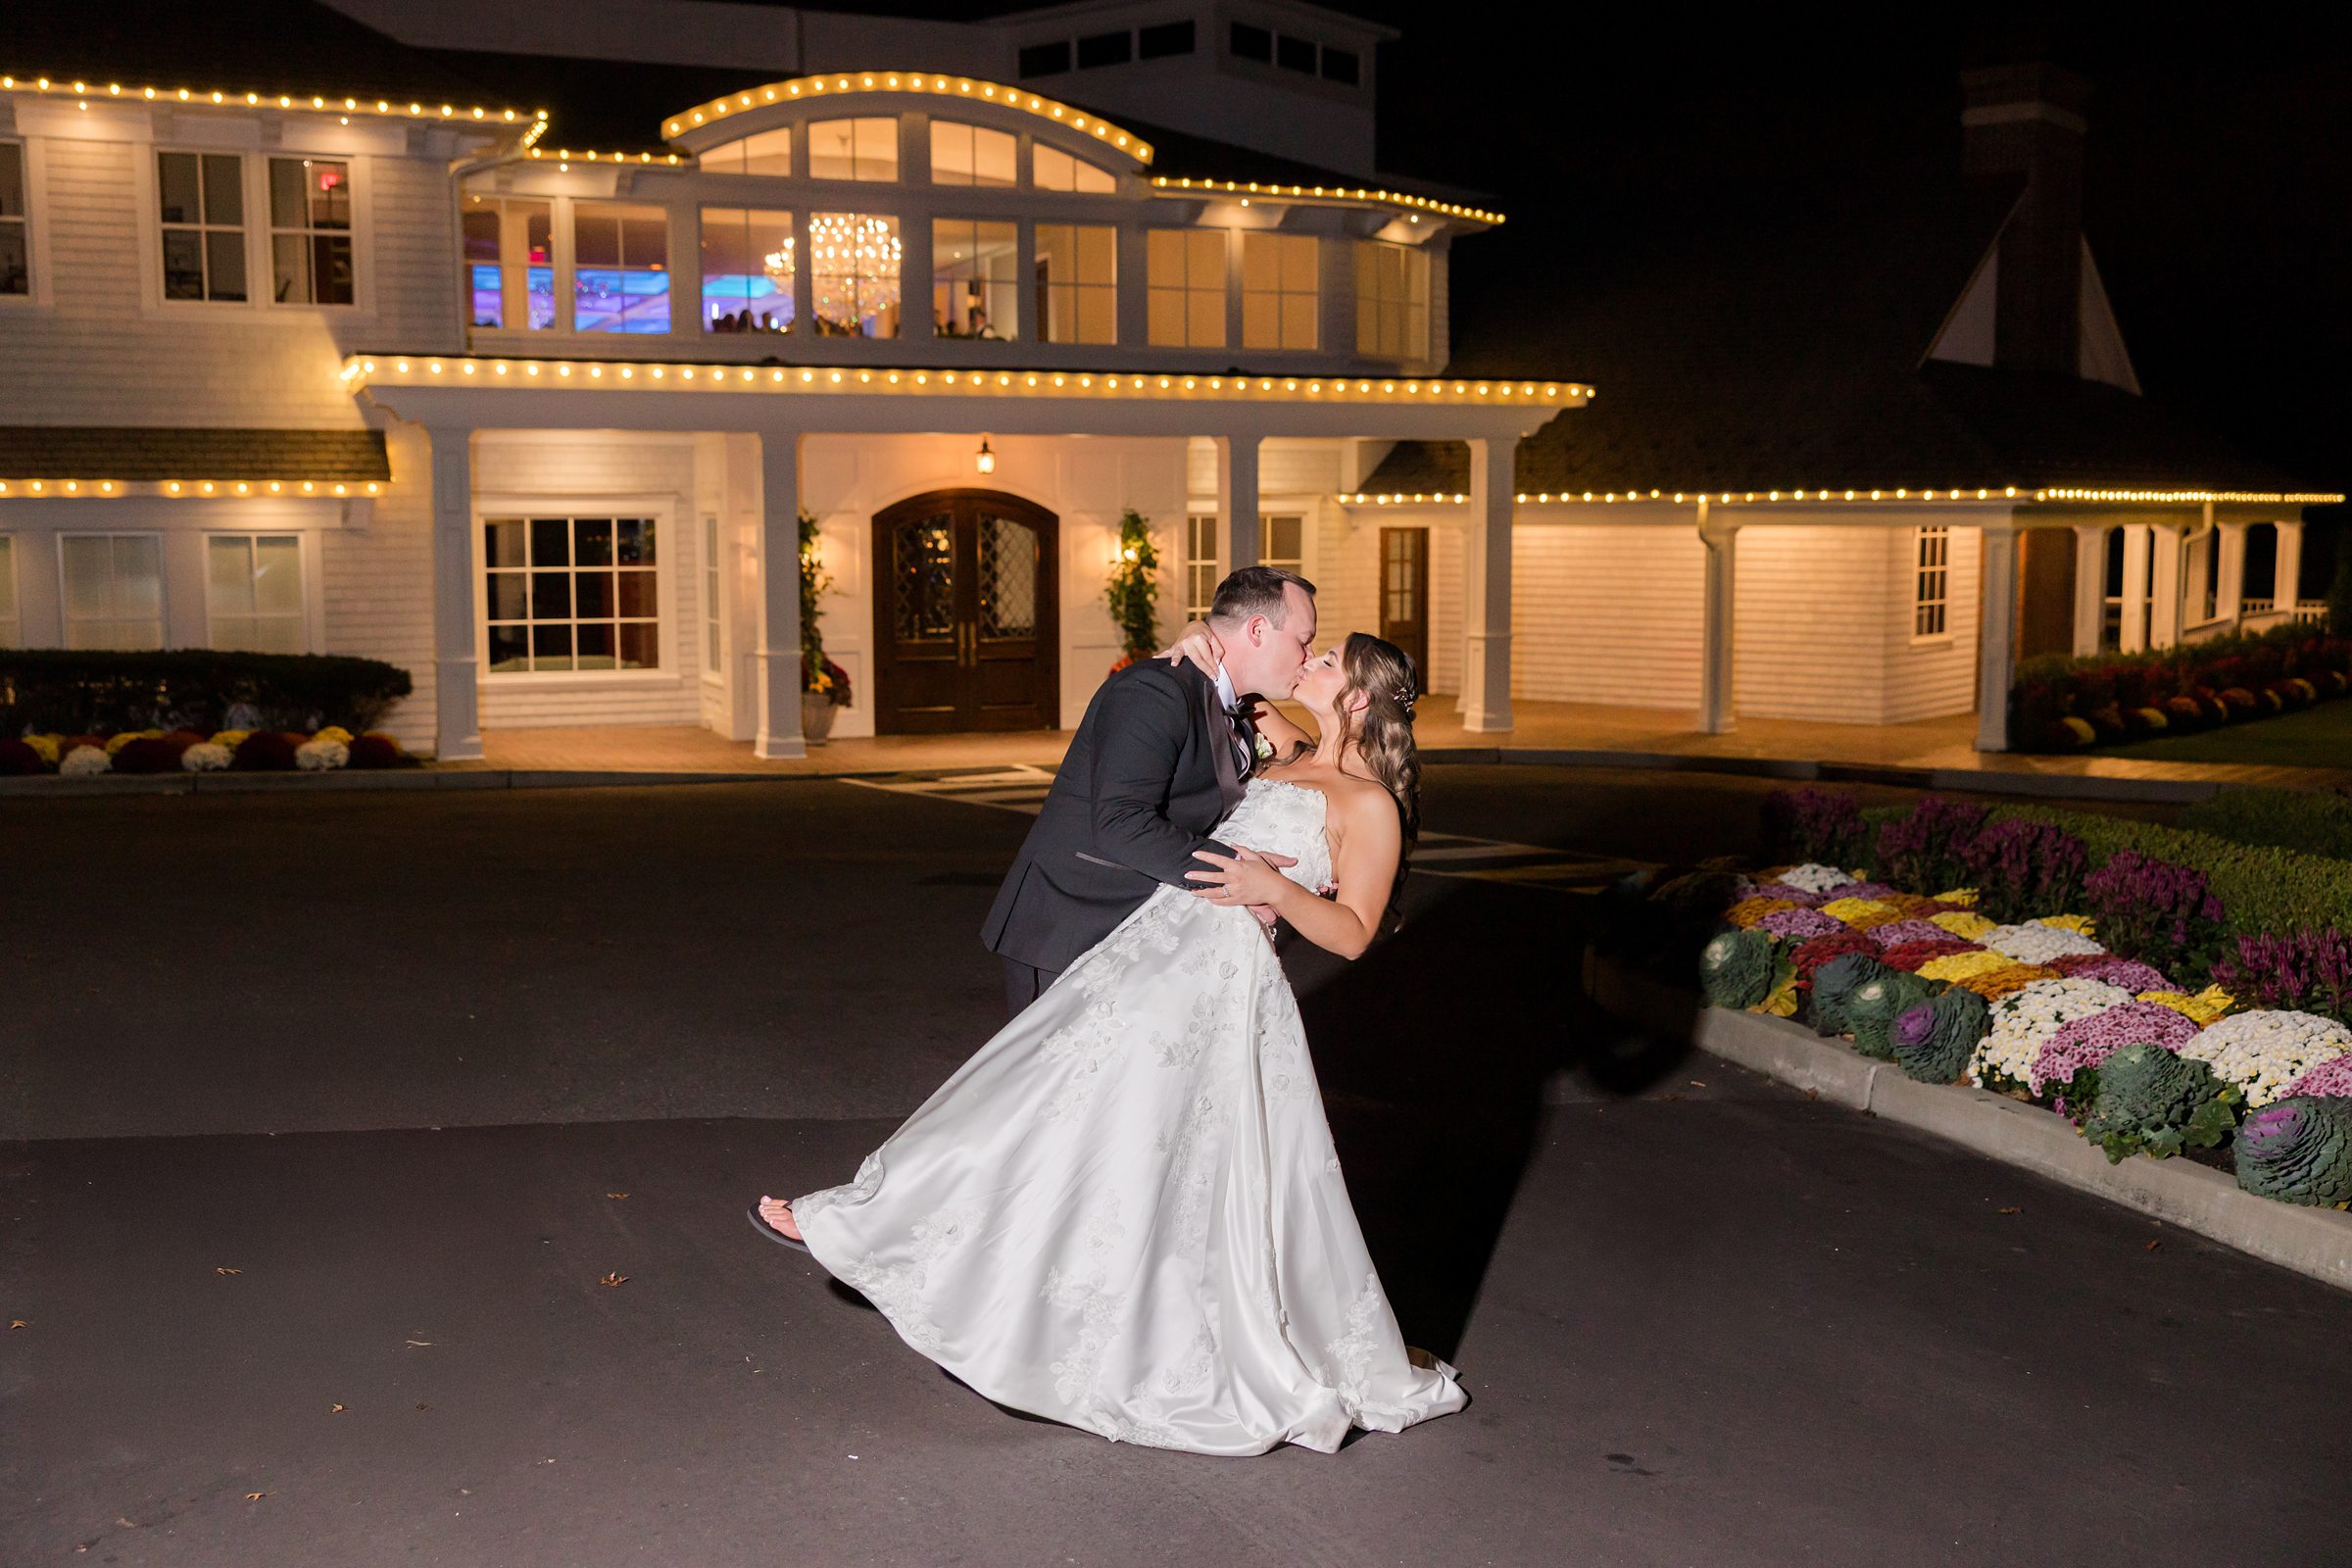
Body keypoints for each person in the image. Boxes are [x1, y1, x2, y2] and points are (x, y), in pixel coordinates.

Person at [749, 573, 1463, 1454]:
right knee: (1038, 1103)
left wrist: (1271, 885)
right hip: (1149, 950)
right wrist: (1185, 664)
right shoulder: (1281, 746)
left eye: (1323, 657)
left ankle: (1060, 1314)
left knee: (1158, 1158)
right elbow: (1210, 718)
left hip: (1220, 982)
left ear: (1354, 696)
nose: (1307, 658)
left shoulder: (1369, 805)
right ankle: (876, 1222)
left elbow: (1353, 935)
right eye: (1304, 643)